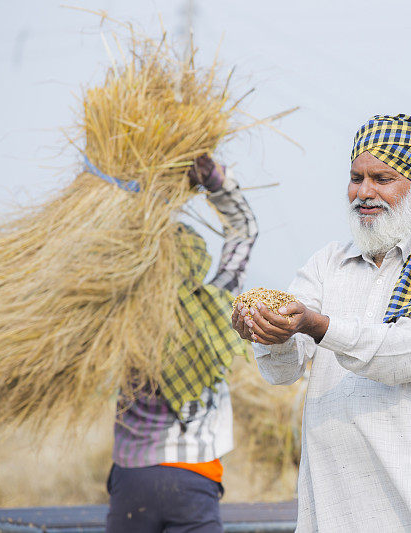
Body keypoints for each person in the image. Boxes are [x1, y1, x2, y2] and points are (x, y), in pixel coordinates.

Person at [233, 114, 411, 532]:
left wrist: (320, 327)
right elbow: (282, 370)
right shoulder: (328, 264)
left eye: (382, 178)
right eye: (356, 178)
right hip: (337, 508)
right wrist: (270, 331)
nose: (365, 192)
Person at [106, 154, 258, 533]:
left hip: (131, 478)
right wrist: (216, 182)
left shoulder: (122, 312)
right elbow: (244, 230)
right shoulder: (218, 307)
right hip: (195, 477)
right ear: (197, 259)